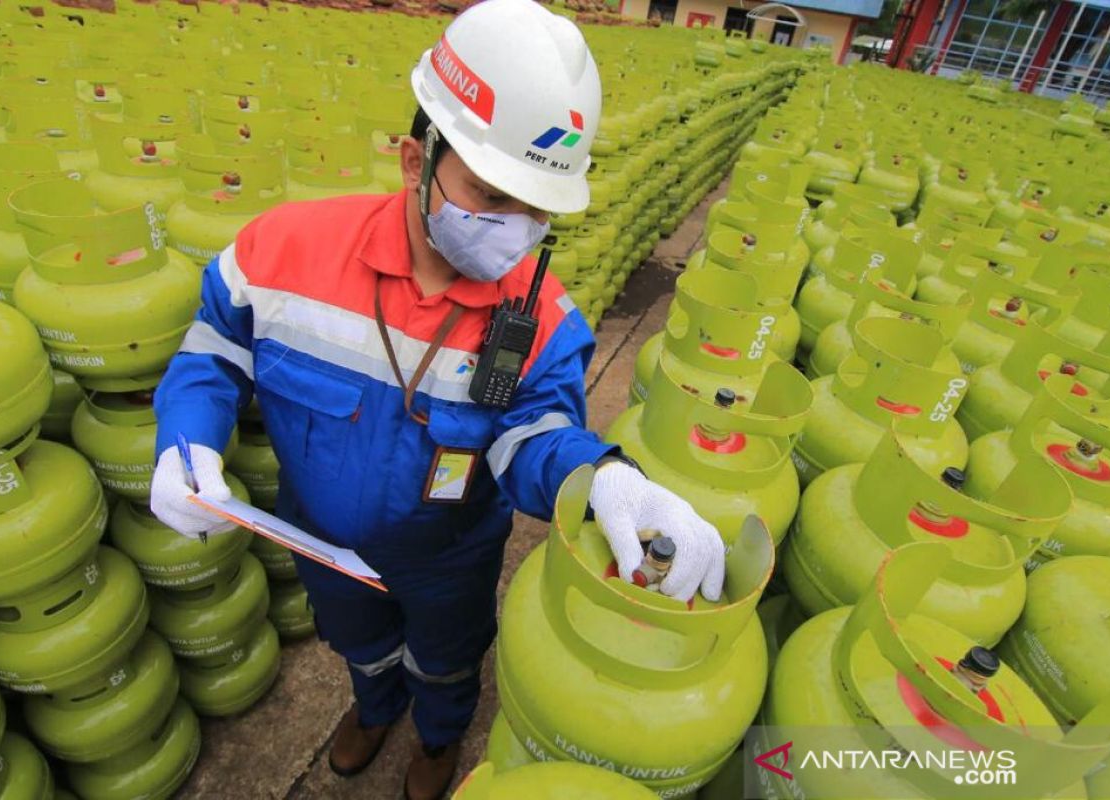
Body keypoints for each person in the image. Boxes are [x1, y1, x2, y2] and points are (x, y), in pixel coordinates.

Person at [148, 1, 724, 798]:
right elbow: (212, 350)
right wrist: (188, 442)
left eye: (535, 210)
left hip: (450, 556)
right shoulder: (281, 255)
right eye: (490, 197)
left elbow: (538, 433)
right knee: (357, 642)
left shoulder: (543, 322)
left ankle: (438, 737)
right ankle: (374, 708)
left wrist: (609, 481)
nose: (512, 229)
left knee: (448, 660)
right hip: (322, 541)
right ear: (416, 161)